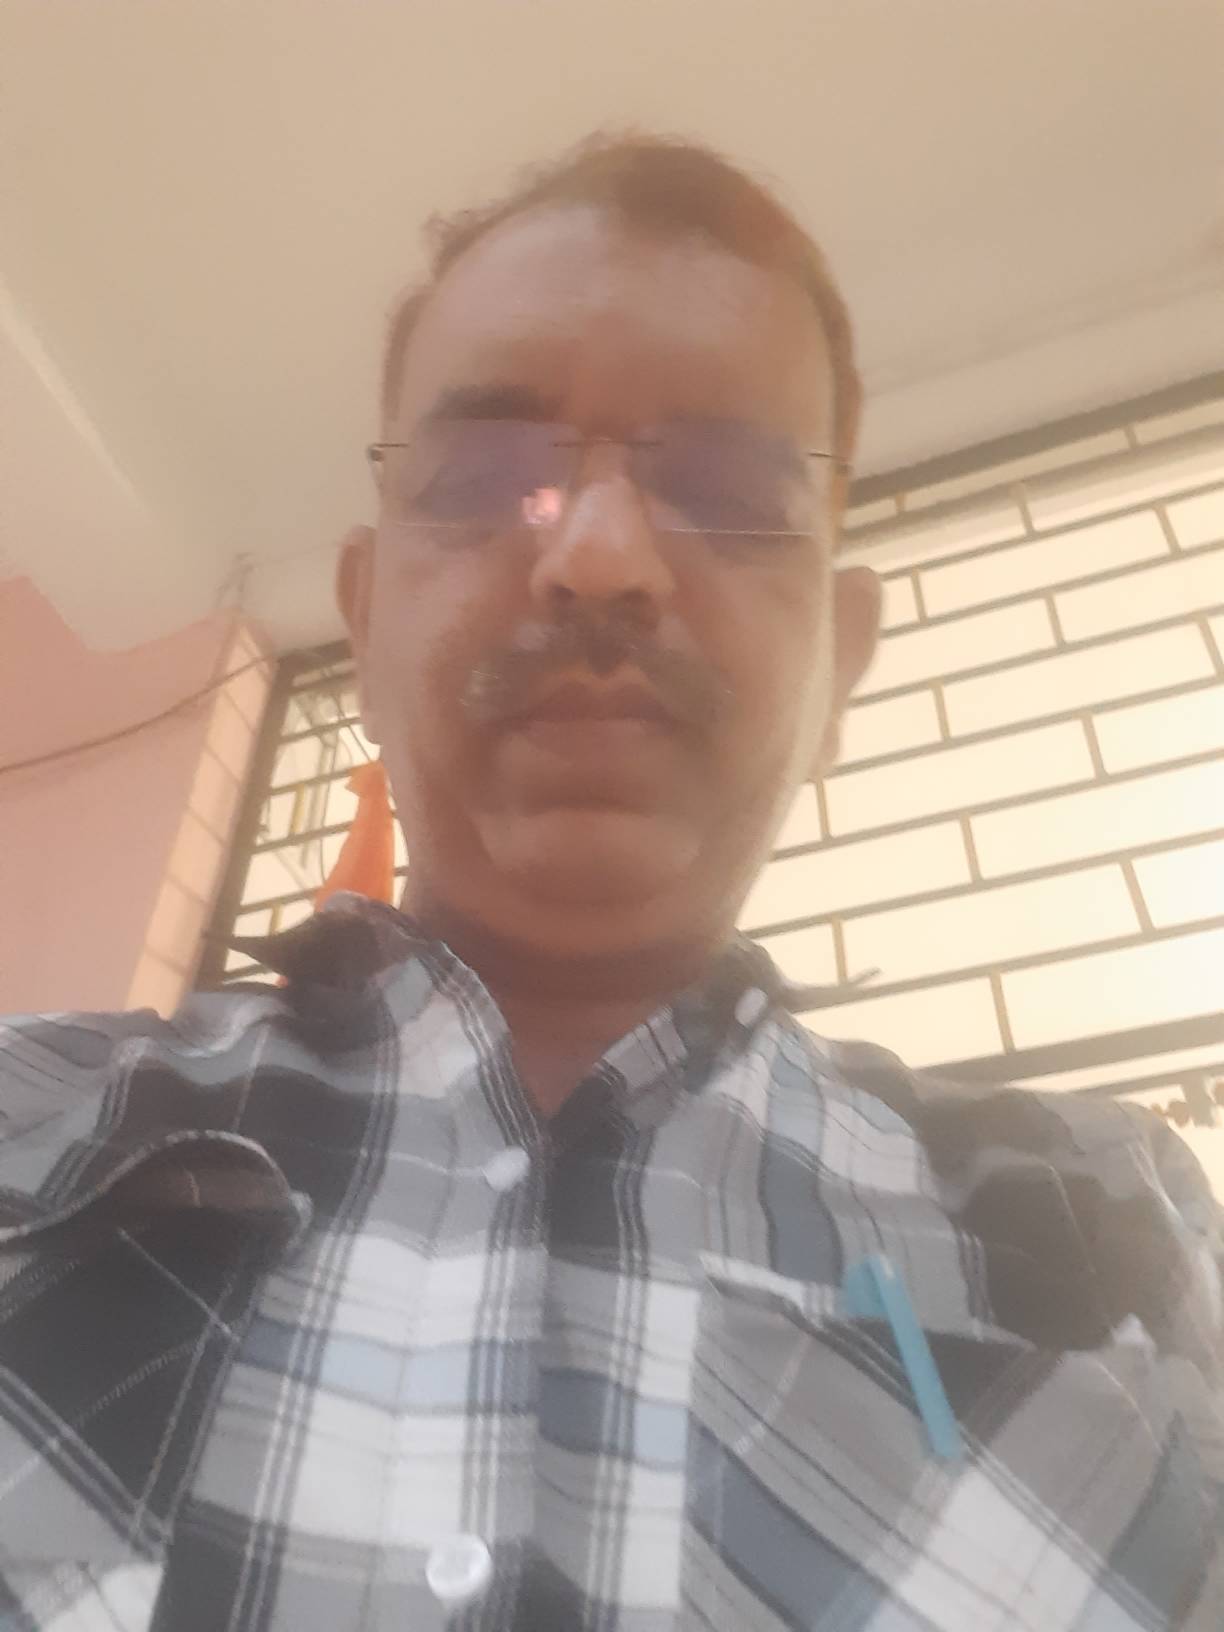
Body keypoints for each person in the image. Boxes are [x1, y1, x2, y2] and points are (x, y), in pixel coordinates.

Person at [0, 134, 1220, 1632]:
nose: (598, 555)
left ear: (840, 666)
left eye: (728, 487)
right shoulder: (25, 1122)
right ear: (364, 626)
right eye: (486, 477)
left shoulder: (1107, 1223)